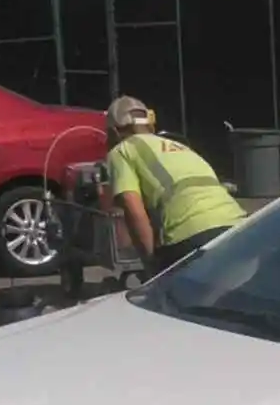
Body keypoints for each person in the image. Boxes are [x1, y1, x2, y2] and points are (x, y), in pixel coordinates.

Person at [104, 96, 245, 275]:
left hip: (190, 234)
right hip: (238, 225)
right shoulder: (178, 145)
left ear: (114, 132)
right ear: (150, 125)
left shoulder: (122, 150)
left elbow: (133, 209)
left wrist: (151, 264)